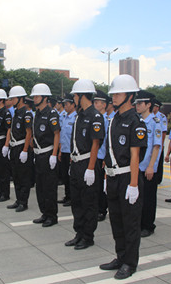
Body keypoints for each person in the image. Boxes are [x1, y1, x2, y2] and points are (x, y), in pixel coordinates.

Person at [99, 74, 145, 280]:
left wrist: (134, 184)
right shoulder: (114, 119)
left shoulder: (136, 122)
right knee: (116, 220)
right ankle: (120, 256)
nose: (113, 97)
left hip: (128, 178)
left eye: (117, 94)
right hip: (113, 177)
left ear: (129, 96)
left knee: (130, 223)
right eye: (113, 94)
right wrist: (107, 178)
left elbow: (135, 156)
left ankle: (130, 262)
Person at [65, 79, 105, 249]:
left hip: (88, 163)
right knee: (77, 201)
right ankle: (79, 233)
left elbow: (96, 143)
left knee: (88, 202)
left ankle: (88, 236)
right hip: (76, 163)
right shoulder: (80, 115)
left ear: (82, 96)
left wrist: (90, 168)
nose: (73, 98)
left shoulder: (95, 116)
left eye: (75, 95)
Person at [30, 83, 61, 227]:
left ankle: (52, 216)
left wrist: (54, 154)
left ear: (44, 98)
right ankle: (44, 213)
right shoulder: (37, 114)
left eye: (37, 96)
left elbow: (56, 134)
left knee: (49, 187)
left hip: (48, 153)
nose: (35, 98)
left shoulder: (52, 113)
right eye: (34, 96)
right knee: (40, 186)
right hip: (38, 154)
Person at [135, 90, 162, 238]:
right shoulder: (138, 121)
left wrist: (151, 166)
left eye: (140, 103)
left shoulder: (155, 123)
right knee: (138, 198)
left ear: (148, 105)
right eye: (137, 103)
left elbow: (156, 146)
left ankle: (148, 225)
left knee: (149, 198)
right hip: (137, 166)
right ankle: (139, 224)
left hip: (148, 167)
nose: (137, 106)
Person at [5, 86, 34, 212]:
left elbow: (29, 133)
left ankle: (24, 202)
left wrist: (25, 150)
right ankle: (18, 200)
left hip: (22, 147)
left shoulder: (26, 113)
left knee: (23, 177)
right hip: (14, 146)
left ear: (20, 99)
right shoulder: (16, 112)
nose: (11, 101)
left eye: (13, 98)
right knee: (16, 176)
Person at [93, 90, 110, 221]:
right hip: (94, 156)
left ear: (104, 105)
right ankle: (96, 207)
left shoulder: (107, 120)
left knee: (100, 185)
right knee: (95, 184)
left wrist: (106, 157)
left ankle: (101, 210)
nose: (95, 104)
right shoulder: (95, 119)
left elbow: (107, 140)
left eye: (97, 102)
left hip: (101, 157)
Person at [58, 94, 77, 207]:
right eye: (64, 104)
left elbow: (74, 138)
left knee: (71, 177)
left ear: (73, 105)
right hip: (64, 150)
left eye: (67, 104)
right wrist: (60, 151)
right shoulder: (64, 117)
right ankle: (67, 196)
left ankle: (72, 197)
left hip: (71, 152)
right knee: (64, 175)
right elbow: (61, 136)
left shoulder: (75, 118)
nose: (65, 106)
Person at [152, 100, 167, 184]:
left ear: (157, 107)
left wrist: (161, 144)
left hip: (159, 143)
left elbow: (163, 132)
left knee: (159, 162)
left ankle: (158, 178)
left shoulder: (161, 116)